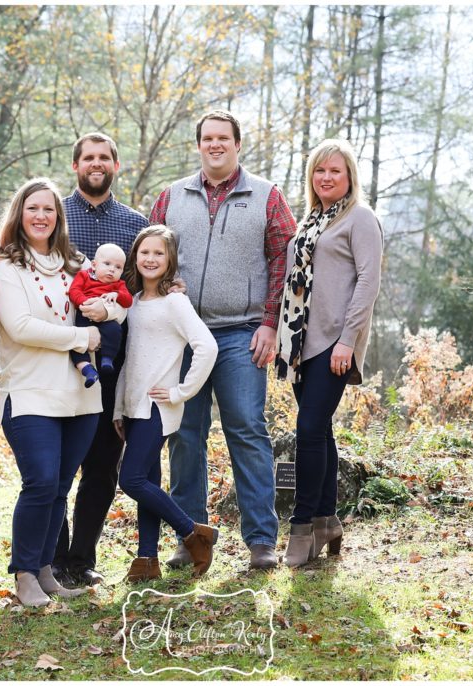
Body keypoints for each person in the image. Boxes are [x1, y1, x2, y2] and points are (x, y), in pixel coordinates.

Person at [149, 110, 297, 571]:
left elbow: (284, 262)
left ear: (237, 145)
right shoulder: (171, 197)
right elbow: (148, 253)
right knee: (184, 436)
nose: (215, 145)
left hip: (242, 334)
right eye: (207, 138)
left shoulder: (267, 196)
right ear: (198, 145)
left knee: (247, 432)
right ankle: (191, 536)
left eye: (223, 139)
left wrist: (270, 324)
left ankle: (260, 542)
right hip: (184, 335)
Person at [0, 178, 127, 607]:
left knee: (62, 484)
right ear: (20, 213)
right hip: (30, 392)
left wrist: (109, 310)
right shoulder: (7, 265)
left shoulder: (75, 262)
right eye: (33, 208)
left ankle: (47, 569)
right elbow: (21, 327)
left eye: (49, 209)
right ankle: (25, 573)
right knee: (41, 481)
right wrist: (81, 338)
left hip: (81, 395)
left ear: (58, 216)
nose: (41, 216)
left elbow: (119, 302)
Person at [275, 139, 383, 567]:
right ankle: (327, 520)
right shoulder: (312, 220)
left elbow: (368, 282)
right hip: (301, 342)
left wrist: (348, 340)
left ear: (349, 176)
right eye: (320, 171)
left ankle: (301, 528)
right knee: (319, 432)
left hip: (335, 342)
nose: (326, 178)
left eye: (334, 171)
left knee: (308, 428)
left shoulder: (361, 219)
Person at [53, 132, 148, 588]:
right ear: (76, 166)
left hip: (114, 359)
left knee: (103, 463)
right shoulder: (55, 215)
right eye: (88, 157)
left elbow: (149, 284)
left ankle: (81, 559)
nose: (96, 163)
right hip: (59, 354)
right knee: (57, 462)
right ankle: (53, 558)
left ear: (116, 165)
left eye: (104, 157)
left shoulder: (135, 224)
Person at [113, 226, 219, 582]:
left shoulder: (175, 301)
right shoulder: (133, 301)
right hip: (133, 405)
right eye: (145, 252)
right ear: (135, 256)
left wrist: (180, 392)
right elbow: (130, 357)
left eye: (159, 253)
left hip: (157, 407)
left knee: (131, 479)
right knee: (148, 481)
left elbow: (207, 346)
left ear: (170, 259)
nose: (151, 259)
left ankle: (194, 534)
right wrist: (118, 407)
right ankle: (147, 560)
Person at [68, 242, 132, 387]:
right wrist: (84, 302)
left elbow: (128, 301)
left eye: (118, 267)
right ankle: (86, 368)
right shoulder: (84, 276)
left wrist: (116, 294)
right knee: (78, 340)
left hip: (106, 319)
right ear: (94, 265)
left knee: (115, 330)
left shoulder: (118, 285)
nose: (112, 270)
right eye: (107, 264)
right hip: (84, 314)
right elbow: (74, 291)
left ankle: (107, 359)